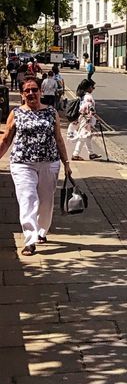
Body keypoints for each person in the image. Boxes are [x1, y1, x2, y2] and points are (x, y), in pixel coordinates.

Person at [0, 75, 73, 255]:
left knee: (46, 202)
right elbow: (6, 139)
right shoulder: (16, 113)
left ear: (40, 91)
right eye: (27, 90)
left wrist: (66, 163)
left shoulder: (51, 112)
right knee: (28, 199)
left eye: (34, 89)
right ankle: (30, 240)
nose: (31, 93)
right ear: (22, 94)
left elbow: (59, 139)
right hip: (22, 164)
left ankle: (41, 231)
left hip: (49, 163)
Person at [71, 81, 99, 161]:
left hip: (83, 118)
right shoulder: (88, 97)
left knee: (88, 137)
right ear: (88, 88)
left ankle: (91, 153)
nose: (93, 88)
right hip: (87, 119)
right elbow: (90, 109)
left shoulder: (83, 96)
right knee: (83, 136)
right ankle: (75, 154)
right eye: (92, 87)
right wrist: (92, 117)